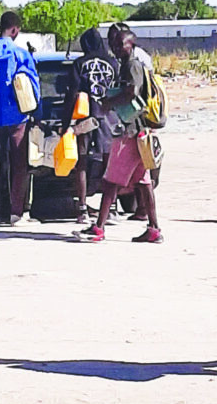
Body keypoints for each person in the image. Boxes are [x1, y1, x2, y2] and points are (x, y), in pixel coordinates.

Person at [74, 29, 163, 244]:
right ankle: (154, 229)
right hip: (138, 131)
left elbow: (131, 92)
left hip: (129, 132)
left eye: (120, 44)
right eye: (114, 43)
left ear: (131, 45)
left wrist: (108, 103)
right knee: (144, 183)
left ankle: (98, 228)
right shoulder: (128, 65)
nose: (115, 47)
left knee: (111, 181)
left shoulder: (132, 66)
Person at [0, 11, 40, 226]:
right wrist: (34, 112)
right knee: (18, 165)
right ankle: (16, 213)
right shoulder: (21, 55)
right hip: (17, 117)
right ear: (14, 30)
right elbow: (34, 86)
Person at [60, 27, 119, 223]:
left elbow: (72, 95)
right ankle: (110, 208)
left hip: (85, 118)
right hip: (109, 118)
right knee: (108, 164)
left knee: (82, 163)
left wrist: (66, 123)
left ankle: (83, 209)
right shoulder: (113, 62)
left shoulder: (80, 63)